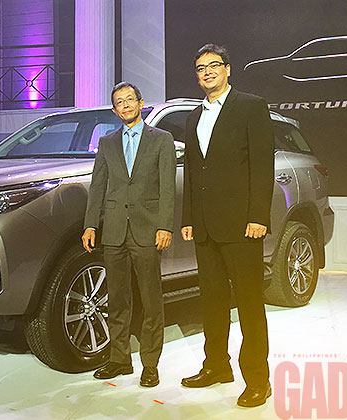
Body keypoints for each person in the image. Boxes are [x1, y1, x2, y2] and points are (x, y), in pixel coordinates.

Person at [179, 43, 275, 407]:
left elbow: (262, 165)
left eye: (214, 65)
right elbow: (192, 170)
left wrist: (258, 217)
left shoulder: (250, 106)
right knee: (212, 301)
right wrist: (189, 218)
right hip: (204, 226)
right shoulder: (193, 117)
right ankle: (216, 365)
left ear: (228, 69)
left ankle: (258, 380)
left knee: (250, 303)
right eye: (200, 67)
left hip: (241, 225)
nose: (207, 72)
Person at [82, 82, 176, 388]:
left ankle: (150, 363)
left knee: (151, 299)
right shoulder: (108, 143)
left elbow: (167, 188)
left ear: (140, 103)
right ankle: (119, 359)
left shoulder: (161, 140)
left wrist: (165, 225)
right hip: (114, 232)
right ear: (114, 110)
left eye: (129, 100)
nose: (125, 106)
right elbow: (98, 186)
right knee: (118, 299)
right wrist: (90, 224)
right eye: (119, 102)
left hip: (148, 229)